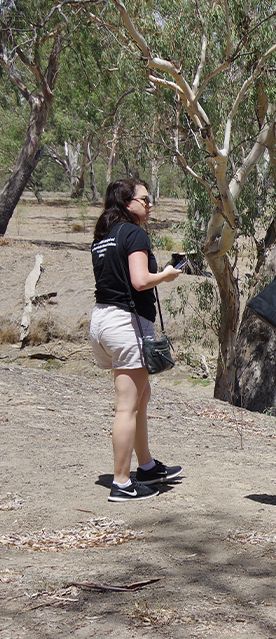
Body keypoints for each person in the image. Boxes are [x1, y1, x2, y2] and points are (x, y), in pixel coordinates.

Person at [89, 178, 185, 502]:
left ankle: (146, 466)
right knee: (126, 407)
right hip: (125, 324)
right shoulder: (135, 233)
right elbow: (141, 280)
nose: (150, 204)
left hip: (102, 320)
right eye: (145, 199)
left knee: (140, 398)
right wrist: (168, 274)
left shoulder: (102, 237)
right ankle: (121, 483)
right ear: (126, 202)